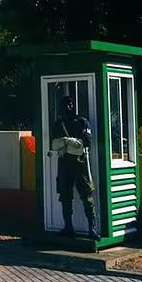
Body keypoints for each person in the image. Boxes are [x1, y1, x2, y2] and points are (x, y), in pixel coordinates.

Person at [51, 95, 100, 240]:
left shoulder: (82, 122)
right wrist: (67, 141)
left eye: (70, 104)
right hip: (64, 164)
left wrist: (67, 144)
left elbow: (86, 143)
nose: (68, 107)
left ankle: (92, 228)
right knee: (65, 197)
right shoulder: (59, 123)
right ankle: (68, 227)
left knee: (87, 196)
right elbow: (54, 143)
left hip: (80, 164)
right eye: (65, 105)